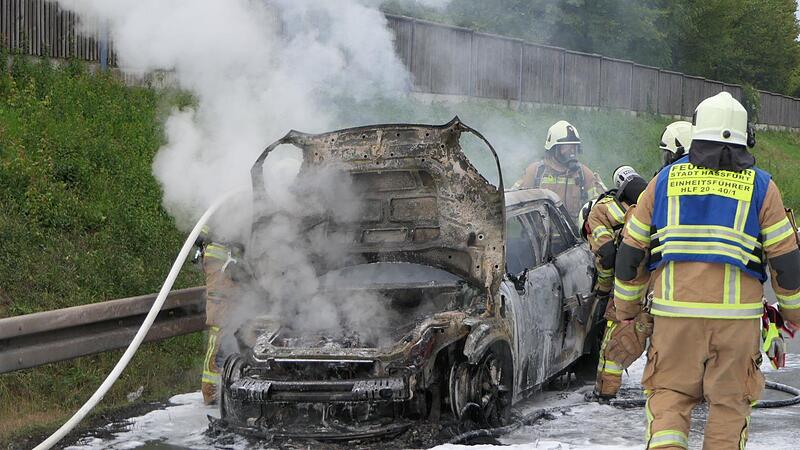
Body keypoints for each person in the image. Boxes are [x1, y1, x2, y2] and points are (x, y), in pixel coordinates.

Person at [614, 91, 800, 449]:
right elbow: (787, 265)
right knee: (729, 406)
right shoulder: (763, 186)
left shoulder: (663, 181)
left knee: (669, 400)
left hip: (674, 320)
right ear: (746, 137)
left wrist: (627, 309)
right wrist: (793, 314)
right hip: (737, 324)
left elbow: (630, 255)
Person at [579, 166, 651, 400]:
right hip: (664, 278)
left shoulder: (596, 214)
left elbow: (606, 255)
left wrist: (602, 290)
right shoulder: (637, 204)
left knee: (616, 339)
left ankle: (604, 394)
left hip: (633, 279)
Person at [514, 120, 604, 218]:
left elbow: (601, 206)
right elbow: (512, 200)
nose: (571, 151)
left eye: (574, 147)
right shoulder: (534, 172)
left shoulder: (584, 174)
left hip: (573, 228)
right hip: (539, 228)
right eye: (566, 147)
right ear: (553, 149)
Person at [195, 227, 244, 404]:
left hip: (233, 258)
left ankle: (233, 384)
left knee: (240, 323)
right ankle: (211, 391)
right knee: (220, 325)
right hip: (221, 258)